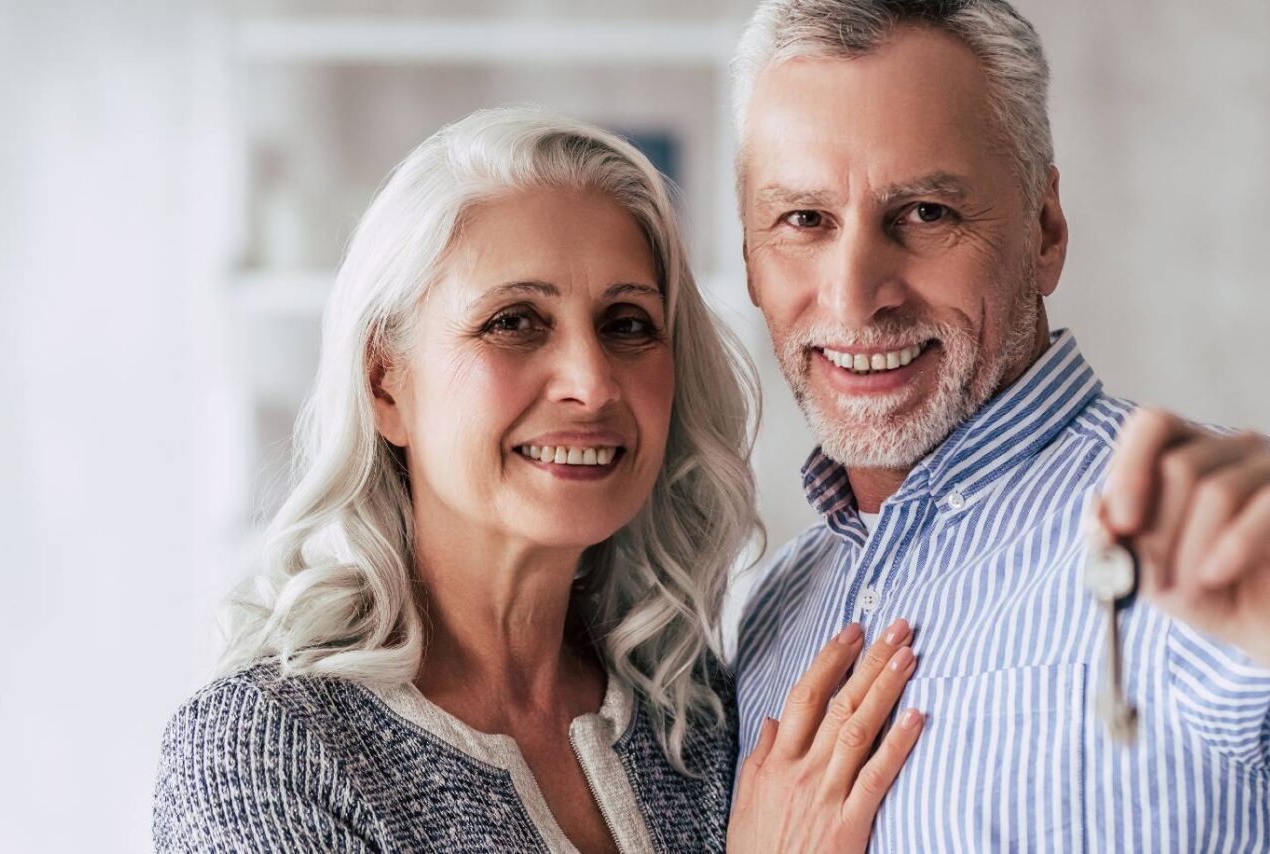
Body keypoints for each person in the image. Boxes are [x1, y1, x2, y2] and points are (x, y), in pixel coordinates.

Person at [727, 1, 1270, 850]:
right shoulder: (774, 612)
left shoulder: (1195, 529)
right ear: (751, 259)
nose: (853, 297)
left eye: (925, 214)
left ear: (1045, 229)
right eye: (803, 220)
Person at [153, 107, 923, 853]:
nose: (592, 384)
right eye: (514, 322)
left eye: (627, 325)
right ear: (387, 386)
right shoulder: (269, 751)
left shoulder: (701, 724)